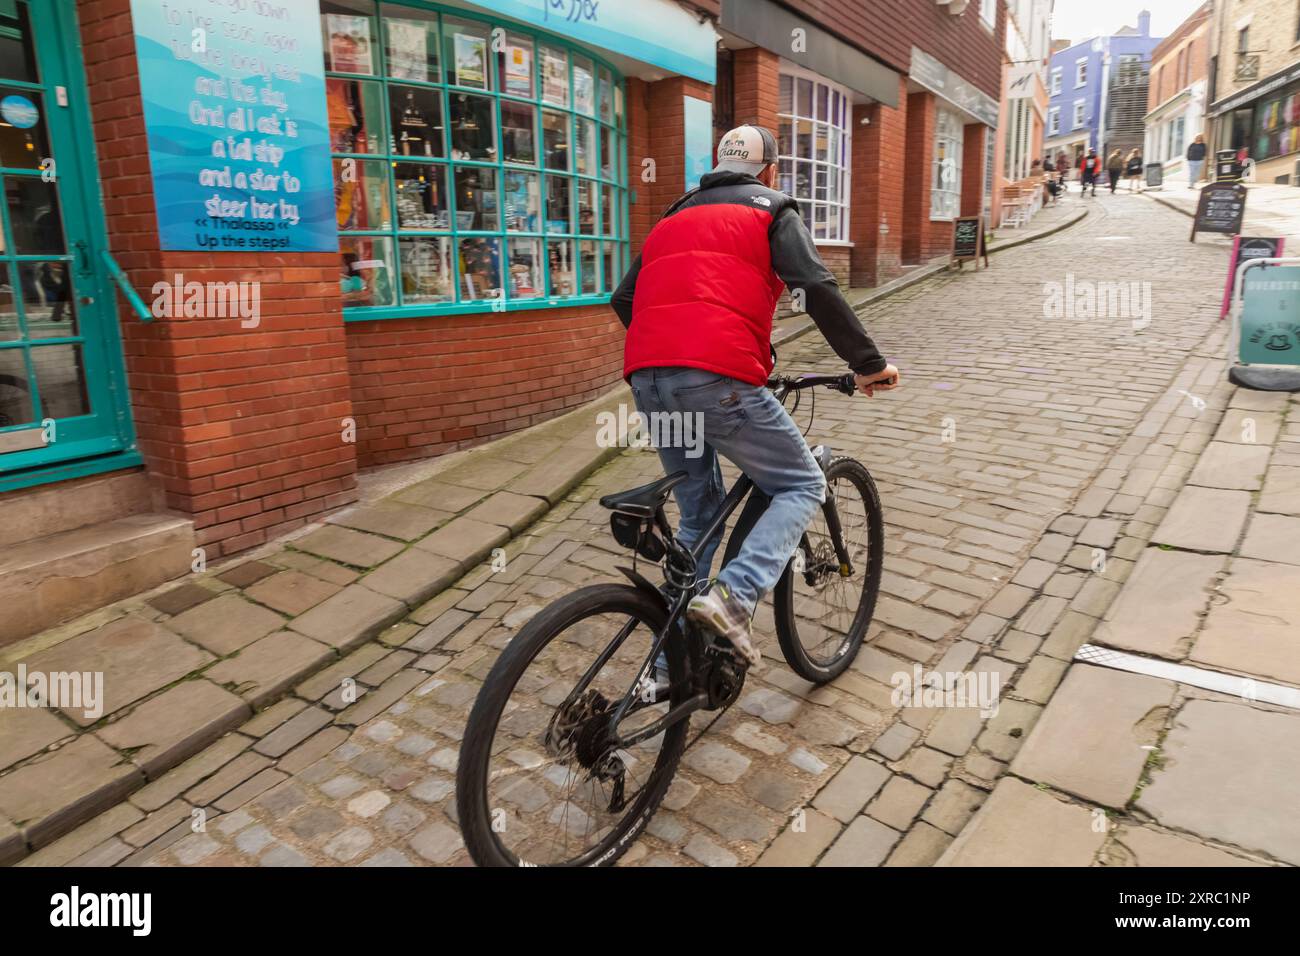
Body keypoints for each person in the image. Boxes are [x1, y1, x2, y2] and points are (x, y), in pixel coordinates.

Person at [611, 125, 899, 667]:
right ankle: (733, 597)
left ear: (717, 164)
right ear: (768, 171)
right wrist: (868, 365)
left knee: (698, 520)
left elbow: (624, 296)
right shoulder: (772, 208)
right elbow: (814, 286)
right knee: (800, 483)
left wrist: (672, 349)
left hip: (648, 378)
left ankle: (668, 670)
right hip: (715, 381)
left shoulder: (674, 214)